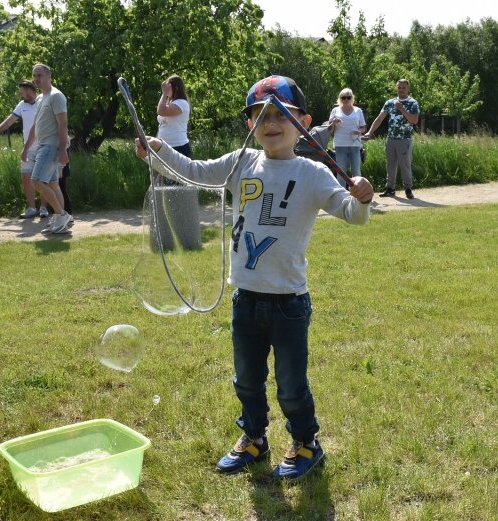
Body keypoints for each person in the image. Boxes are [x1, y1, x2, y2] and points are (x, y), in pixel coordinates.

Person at [135, 75, 374, 481]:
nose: (270, 123)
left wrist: (363, 197)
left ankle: (305, 444)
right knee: (246, 379)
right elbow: (193, 171)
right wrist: (158, 150)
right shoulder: (240, 162)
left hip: (289, 302)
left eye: (282, 113)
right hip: (245, 299)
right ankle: (253, 439)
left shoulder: (314, 172)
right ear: (250, 126)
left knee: (290, 385)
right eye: (260, 115)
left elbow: (352, 213)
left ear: (304, 121)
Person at [22, 63, 72, 234]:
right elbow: (36, 125)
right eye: (34, 76)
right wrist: (26, 148)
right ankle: (60, 221)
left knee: (36, 180)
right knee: (53, 184)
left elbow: (63, 124)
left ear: (49, 76)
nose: (36, 79)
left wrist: (63, 150)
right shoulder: (41, 98)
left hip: (52, 146)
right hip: (42, 145)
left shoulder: (56, 96)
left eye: (39, 76)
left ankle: (61, 215)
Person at [0, 80, 49, 219]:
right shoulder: (22, 105)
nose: (21, 95)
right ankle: (31, 208)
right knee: (26, 177)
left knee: (43, 178)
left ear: (29, 90)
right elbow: (10, 120)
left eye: (22, 92)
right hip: (28, 149)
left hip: (43, 146)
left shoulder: (42, 101)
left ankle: (44, 208)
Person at [363, 78, 420, 199]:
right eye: (399, 87)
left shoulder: (412, 103)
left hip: (404, 139)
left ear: (408, 88)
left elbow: (414, 120)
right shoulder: (390, 102)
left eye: (403, 87)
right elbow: (379, 119)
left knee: (405, 164)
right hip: (391, 139)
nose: (401, 90)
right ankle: (390, 188)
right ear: (396, 88)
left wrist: (402, 109)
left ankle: (408, 189)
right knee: (390, 164)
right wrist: (369, 132)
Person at [328, 88, 365, 188]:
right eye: (343, 97)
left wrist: (359, 131)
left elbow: (363, 127)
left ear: (352, 98)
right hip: (340, 145)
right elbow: (329, 129)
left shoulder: (358, 111)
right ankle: (342, 195)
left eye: (348, 97)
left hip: (355, 144)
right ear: (340, 99)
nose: (346, 100)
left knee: (356, 171)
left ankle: (358, 193)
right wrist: (333, 123)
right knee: (341, 171)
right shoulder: (335, 110)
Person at [156, 75, 192, 158]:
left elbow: (161, 111)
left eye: (168, 86)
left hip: (178, 148)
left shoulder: (182, 103)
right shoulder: (170, 103)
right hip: (163, 147)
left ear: (176, 88)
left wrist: (164, 93)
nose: (166, 89)